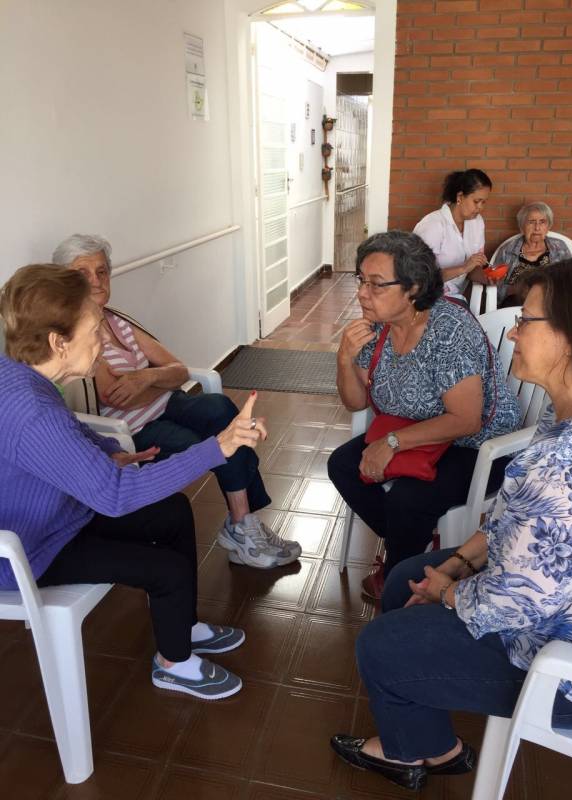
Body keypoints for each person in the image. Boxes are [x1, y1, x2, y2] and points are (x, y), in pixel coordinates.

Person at [331, 257, 572, 792]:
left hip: (567, 671)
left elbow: (513, 603)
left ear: (571, 338)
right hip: (547, 607)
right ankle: (431, 743)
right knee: (410, 570)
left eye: (525, 320)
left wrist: (449, 590)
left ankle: (411, 750)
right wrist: (454, 563)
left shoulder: (565, 466)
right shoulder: (569, 413)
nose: (514, 331)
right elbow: (511, 519)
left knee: (379, 644)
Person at [0, 265, 277, 699]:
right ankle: (173, 663)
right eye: (94, 331)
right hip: (31, 549)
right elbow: (116, 495)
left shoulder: (21, 376)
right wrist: (216, 447)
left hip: (57, 516)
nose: (103, 342)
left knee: (172, 512)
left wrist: (108, 450)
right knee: (163, 570)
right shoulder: (29, 408)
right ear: (59, 342)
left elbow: (65, 429)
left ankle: (182, 627)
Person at [51, 233, 301, 570]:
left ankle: (242, 525)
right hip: (134, 429)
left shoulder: (118, 320)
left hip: (169, 403)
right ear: (63, 281)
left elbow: (178, 369)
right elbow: (117, 398)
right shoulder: (75, 334)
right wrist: (156, 378)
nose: (96, 281)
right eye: (83, 274)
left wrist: (146, 378)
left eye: (102, 272)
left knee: (223, 410)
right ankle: (243, 527)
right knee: (216, 441)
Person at [327, 231, 520, 600]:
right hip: (416, 432)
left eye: (377, 285)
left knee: (407, 501)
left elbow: (466, 420)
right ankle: (414, 546)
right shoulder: (379, 326)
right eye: (361, 281)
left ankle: (399, 583)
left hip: (478, 444)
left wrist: (392, 443)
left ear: (413, 288)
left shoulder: (449, 329)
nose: (362, 293)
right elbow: (354, 402)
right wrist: (343, 358)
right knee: (341, 466)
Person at [413, 168, 493, 299]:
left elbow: (472, 270)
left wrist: (487, 277)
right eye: (476, 201)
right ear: (460, 197)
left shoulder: (476, 223)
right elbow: (419, 278)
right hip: (426, 298)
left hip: (455, 297)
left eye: (484, 202)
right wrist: (464, 268)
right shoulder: (432, 225)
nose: (480, 207)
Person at [492, 201, 572, 307]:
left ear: (548, 226)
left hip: (550, 303)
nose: (537, 228)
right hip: (516, 304)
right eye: (531, 222)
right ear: (522, 226)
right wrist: (516, 289)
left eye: (542, 222)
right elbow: (495, 285)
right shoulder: (508, 250)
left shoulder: (559, 248)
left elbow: (571, 278)